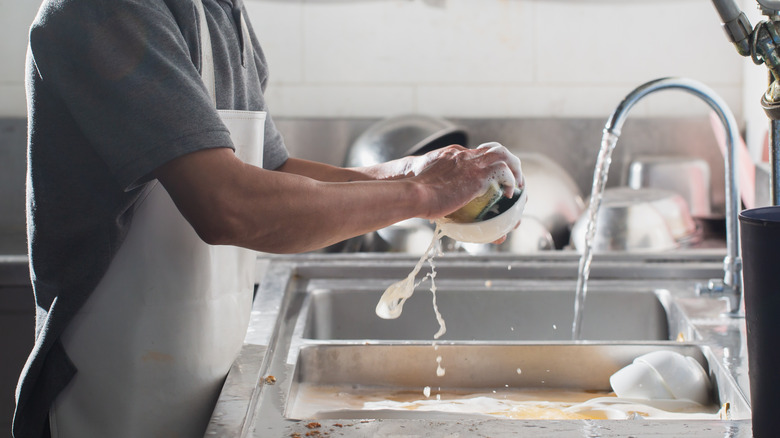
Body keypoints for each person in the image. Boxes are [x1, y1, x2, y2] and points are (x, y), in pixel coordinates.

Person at [13, 0, 523, 437]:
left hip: (210, 384)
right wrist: (423, 194)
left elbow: (272, 173)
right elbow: (229, 206)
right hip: (112, 398)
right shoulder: (108, 11)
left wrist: (416, 173)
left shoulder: (220, 12)